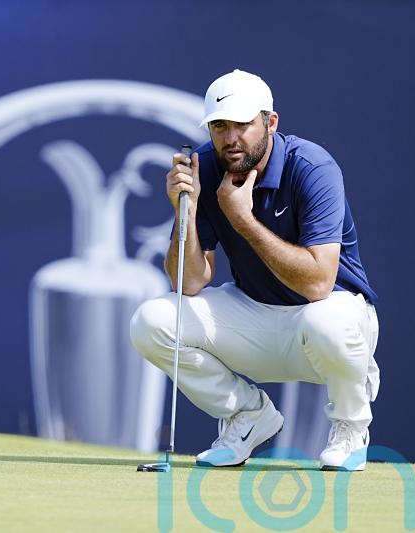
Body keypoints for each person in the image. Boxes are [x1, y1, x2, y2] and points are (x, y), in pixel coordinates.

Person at [130, 69, 380, 471]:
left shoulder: (312, 167)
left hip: (332, 321)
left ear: (270, 122)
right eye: (219, 126)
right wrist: (184, 210)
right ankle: (247, 417)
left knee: (326, 320)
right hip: (256, 319)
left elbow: (319, 283)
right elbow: (188, 282)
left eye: (243, 124)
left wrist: (242, 219)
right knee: (152, 320)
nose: (230, 138)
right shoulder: (205, 167)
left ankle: (351, 428)